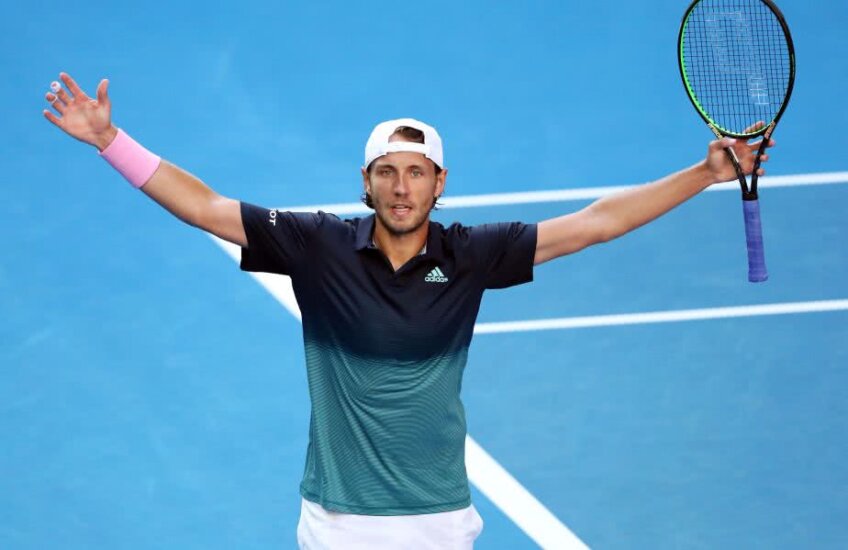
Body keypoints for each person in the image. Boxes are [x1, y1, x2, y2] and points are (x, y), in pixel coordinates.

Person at [43, 72, 773, 549]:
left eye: (416, 173)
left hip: (439, 522)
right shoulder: (315, 245)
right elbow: (204, 206)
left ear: (439, 183)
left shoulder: (472, 255)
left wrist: (705, 173)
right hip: (336, 522)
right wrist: (111, 141)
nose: (401, 188)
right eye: (387, 173)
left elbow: (596, 222)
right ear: (365, 183)